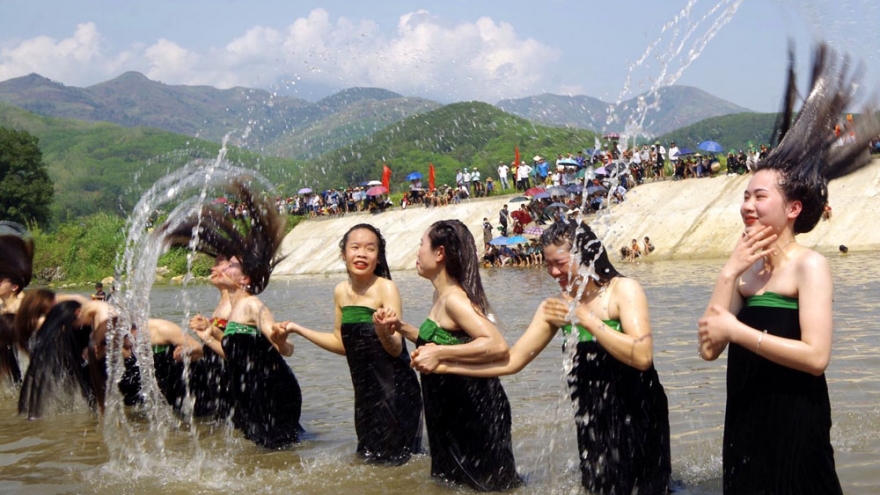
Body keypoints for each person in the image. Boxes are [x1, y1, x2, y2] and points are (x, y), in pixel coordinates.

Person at [698, 44, 879, 494]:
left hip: (796, 423)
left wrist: (739, 331)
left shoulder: (809, 266)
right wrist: (727, 273)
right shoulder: (742, 271)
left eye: (760, 197)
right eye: (746, 196)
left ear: (793, 208)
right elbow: (708, 349)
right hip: (744, 422)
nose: (748, 205)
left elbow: (816, 358)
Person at [431, 221, 671, 493]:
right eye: (548, 265)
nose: (554, 272)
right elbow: (512, 361)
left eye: (560, 263)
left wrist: (588, 320)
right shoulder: (554, 308)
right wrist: (447, 365)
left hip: (639, 412)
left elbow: (642, 355)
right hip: (592, 419)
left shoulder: (623, 290)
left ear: (585, 255)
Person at [374, 219, 520, 491]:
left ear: (439, 253)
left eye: (421, 244)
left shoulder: (455, 299)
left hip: (475, 410)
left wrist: (440, 353)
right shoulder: (439, 295)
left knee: (488, 486)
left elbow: (496, 344)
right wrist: (400, 327)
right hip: (451, 411)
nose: (417, 252)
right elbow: (438, 340)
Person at [160, 179, 303, 448]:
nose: (220, 267)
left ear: (245, 278)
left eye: (229, 265)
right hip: (251, 387)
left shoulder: (252, 305)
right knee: (267, 449)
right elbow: (236, 354)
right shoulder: (237, 307)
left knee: (278, 447)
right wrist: (209, 334)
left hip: (272, 389)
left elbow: (285, 348)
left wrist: (281, 338)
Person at [273, 224, 423, 464]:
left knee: (394, 464)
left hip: (396, 391)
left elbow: (396, 348)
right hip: (365, 396)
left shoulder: (386, 287)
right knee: (368, 459)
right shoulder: (341, 291)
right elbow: (341, 343)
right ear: (344, 254)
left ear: (379, 257)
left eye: (370, 249)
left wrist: (382, 331)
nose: (361, 254)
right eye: (355, 247)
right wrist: (297, 329)